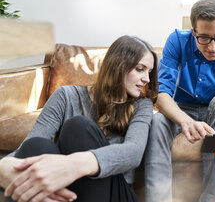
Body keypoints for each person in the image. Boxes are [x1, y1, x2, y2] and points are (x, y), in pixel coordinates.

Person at [0, 35, 158, 202]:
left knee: (79, 127)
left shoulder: (142, 105)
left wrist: (76, 164)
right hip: (68, 193)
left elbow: (133, 152)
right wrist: (3, 166)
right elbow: (28, 145)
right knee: (36, 145)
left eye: (149, 72)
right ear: (118, 66)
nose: (147, 79)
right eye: (140, 69)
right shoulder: (66, 96)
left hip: (116, 193)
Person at [144, 0, 215, 202]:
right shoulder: (177, 41)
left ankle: (210, 198)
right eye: (204, 37)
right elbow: (162, 93)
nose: (212, 47)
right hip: (180, 109)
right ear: (193, 32)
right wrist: (185, 120)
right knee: (157, 121)